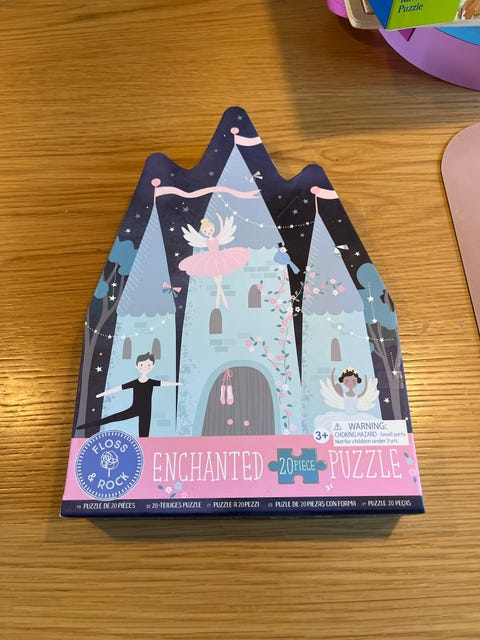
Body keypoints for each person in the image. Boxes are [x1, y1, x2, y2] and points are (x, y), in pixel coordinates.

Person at [76, 352, 180, 437]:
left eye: (148, 365)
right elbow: (119, 388)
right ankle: (83, 427)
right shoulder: (135, 383)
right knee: (110, 418)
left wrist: (178, 384)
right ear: (137, 366)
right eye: (142, 365)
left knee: (144, 436)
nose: (145, 367)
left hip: (146, 412)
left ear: (152, 366)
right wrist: (102, 394)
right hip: (134, 409)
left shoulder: (151, 382)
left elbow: (164, 383)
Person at [178, 214, 250, 308]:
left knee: (219, 281)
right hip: (211, 260)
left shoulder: (217, 238)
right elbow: (196, 239)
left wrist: (220, 218)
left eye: (210, 230)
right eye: (205, 231)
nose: (208, 232)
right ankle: (220, 302)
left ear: (213, 229)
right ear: (203, 232)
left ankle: (218, 303)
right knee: (217, 281)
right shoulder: (206, 241)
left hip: (220, 258)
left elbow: (224, 231)